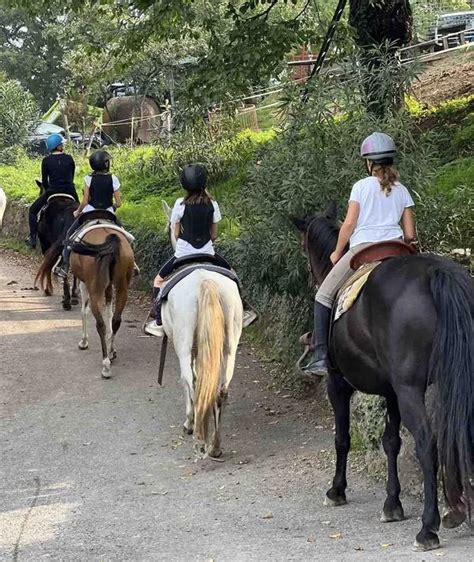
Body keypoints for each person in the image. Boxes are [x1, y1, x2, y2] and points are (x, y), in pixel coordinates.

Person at [303, 132, 416, 378]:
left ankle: (321, 356)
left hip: (364, 250)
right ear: (390, 161)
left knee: (323, 296)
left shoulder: (360, 187)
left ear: (369, 162)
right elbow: (409, 234)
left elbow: (349, 224)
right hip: (397, 249)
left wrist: (335, 252)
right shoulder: (402, 190)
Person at [144, 163, 257, 337]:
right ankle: (243, 311)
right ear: (204, 182)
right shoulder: (213, 204)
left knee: (158, 281)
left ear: (184, 184)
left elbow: (175, 232)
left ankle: (159, 321)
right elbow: (213, 235)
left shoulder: (179, 205)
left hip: (182, 255)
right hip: (208, 253)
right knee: (233, 277)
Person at [53, 150, 122, 278]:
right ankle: (132, 263)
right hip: (108, 212)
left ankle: (65, 266)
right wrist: (112, 206)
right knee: (125, 236)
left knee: (69, 236)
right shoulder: (113, 178)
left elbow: (85, 201)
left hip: (90, 212)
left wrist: (77, 211)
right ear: (106, 164)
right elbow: (119, 202)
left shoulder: (88, 178)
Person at [26, 133, 78, 248]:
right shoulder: (69, 158)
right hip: (70, 191)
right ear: (58, 146)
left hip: (52, 191)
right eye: (61, 144)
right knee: (81, 211)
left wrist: (48, 188)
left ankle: (32, 238)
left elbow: (44, 181)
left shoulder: (46, 161)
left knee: (33, 211)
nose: (62, 146)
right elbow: (71, 177)